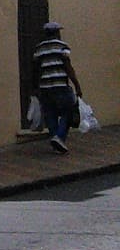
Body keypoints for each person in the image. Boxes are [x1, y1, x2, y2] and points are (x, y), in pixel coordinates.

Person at [33, 20, 83, 153]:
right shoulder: (63, 46)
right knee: (68, 112)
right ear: (56, 33)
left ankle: (56, 139)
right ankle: (59, 137)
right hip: (60, 86)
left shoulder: (39, 48)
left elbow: (36, 69)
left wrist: (35, 87)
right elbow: (68, 67)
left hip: (45, 87)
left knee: (50, 114)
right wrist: (77, 85)